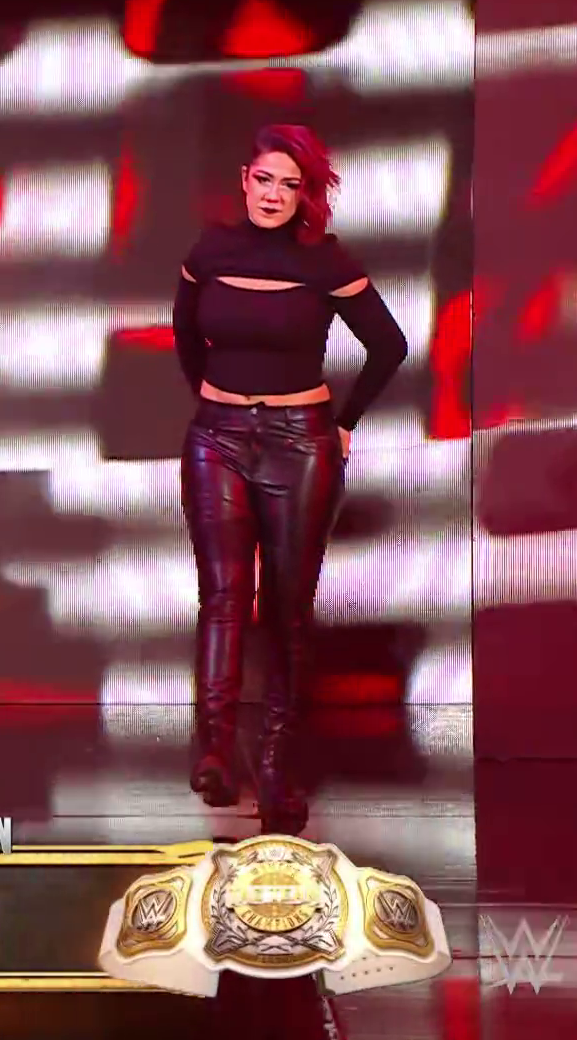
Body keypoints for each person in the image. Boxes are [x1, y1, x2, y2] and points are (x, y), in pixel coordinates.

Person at [173, 124, 409, 834]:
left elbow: (389, 345)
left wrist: (345, 422)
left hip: (298, 444)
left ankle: (277, 766)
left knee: (286, 608)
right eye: (264, 180)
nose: (273, 195)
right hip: (216, 437)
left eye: (289, 184)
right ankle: (215, 751)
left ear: (305, 194)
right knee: (222, 597)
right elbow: (186, 338)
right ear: (244, 181)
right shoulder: (211, 251)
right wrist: (216, 401)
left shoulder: (324, 259)